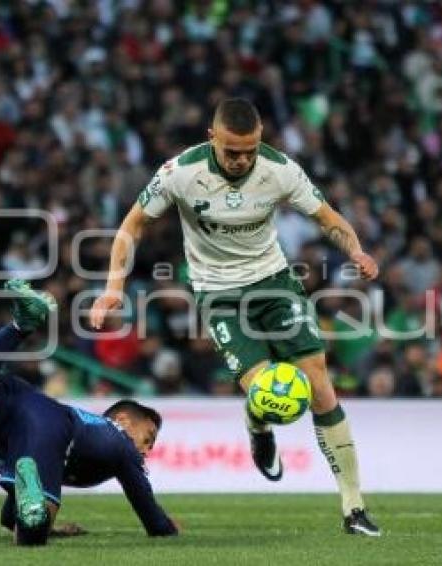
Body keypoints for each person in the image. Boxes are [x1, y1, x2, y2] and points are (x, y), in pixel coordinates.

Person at [90, 98, 381, 536]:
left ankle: (354, 508)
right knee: (265, 389)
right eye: (232, 151)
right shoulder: (180, 173)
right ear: (213, 138)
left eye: (250, 150)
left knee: (319, 382)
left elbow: (328, 218)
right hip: (219, 294)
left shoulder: (279, 169)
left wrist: (354, 248)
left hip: (274, 283)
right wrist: (113, 289)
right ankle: (257, 424)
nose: (242, 159)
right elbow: (132, 226)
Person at [0, 279, 178, 545]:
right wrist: (168, 527)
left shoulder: (89, 435)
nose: (148, 449)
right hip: (44, 424)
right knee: (31, 536)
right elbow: (153, 519)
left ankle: (18, 327)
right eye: (148, 436)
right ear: (123, 420)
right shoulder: (120, 443)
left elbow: (8, 517)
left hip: (17, 410)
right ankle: (36, 516)